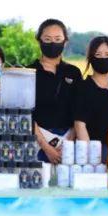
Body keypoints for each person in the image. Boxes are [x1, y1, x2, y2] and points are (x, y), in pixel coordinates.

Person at [27, 19, 82, 163]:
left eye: (57, 39)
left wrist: (68, 144)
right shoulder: (28, 72)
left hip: (68, 141)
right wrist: (46, 147)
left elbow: (80, 111)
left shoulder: (73, 72)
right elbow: (25, 113)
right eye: (47, 39)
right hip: (37, 141)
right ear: (39, 41)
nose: (53, 43)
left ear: (65, 41)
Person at [72, 36, 108, 163]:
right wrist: (92, 159)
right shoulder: (83, 88)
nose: (103, 58)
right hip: (93, 154)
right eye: (98, 54)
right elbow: (79, 125)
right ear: (91, 58)